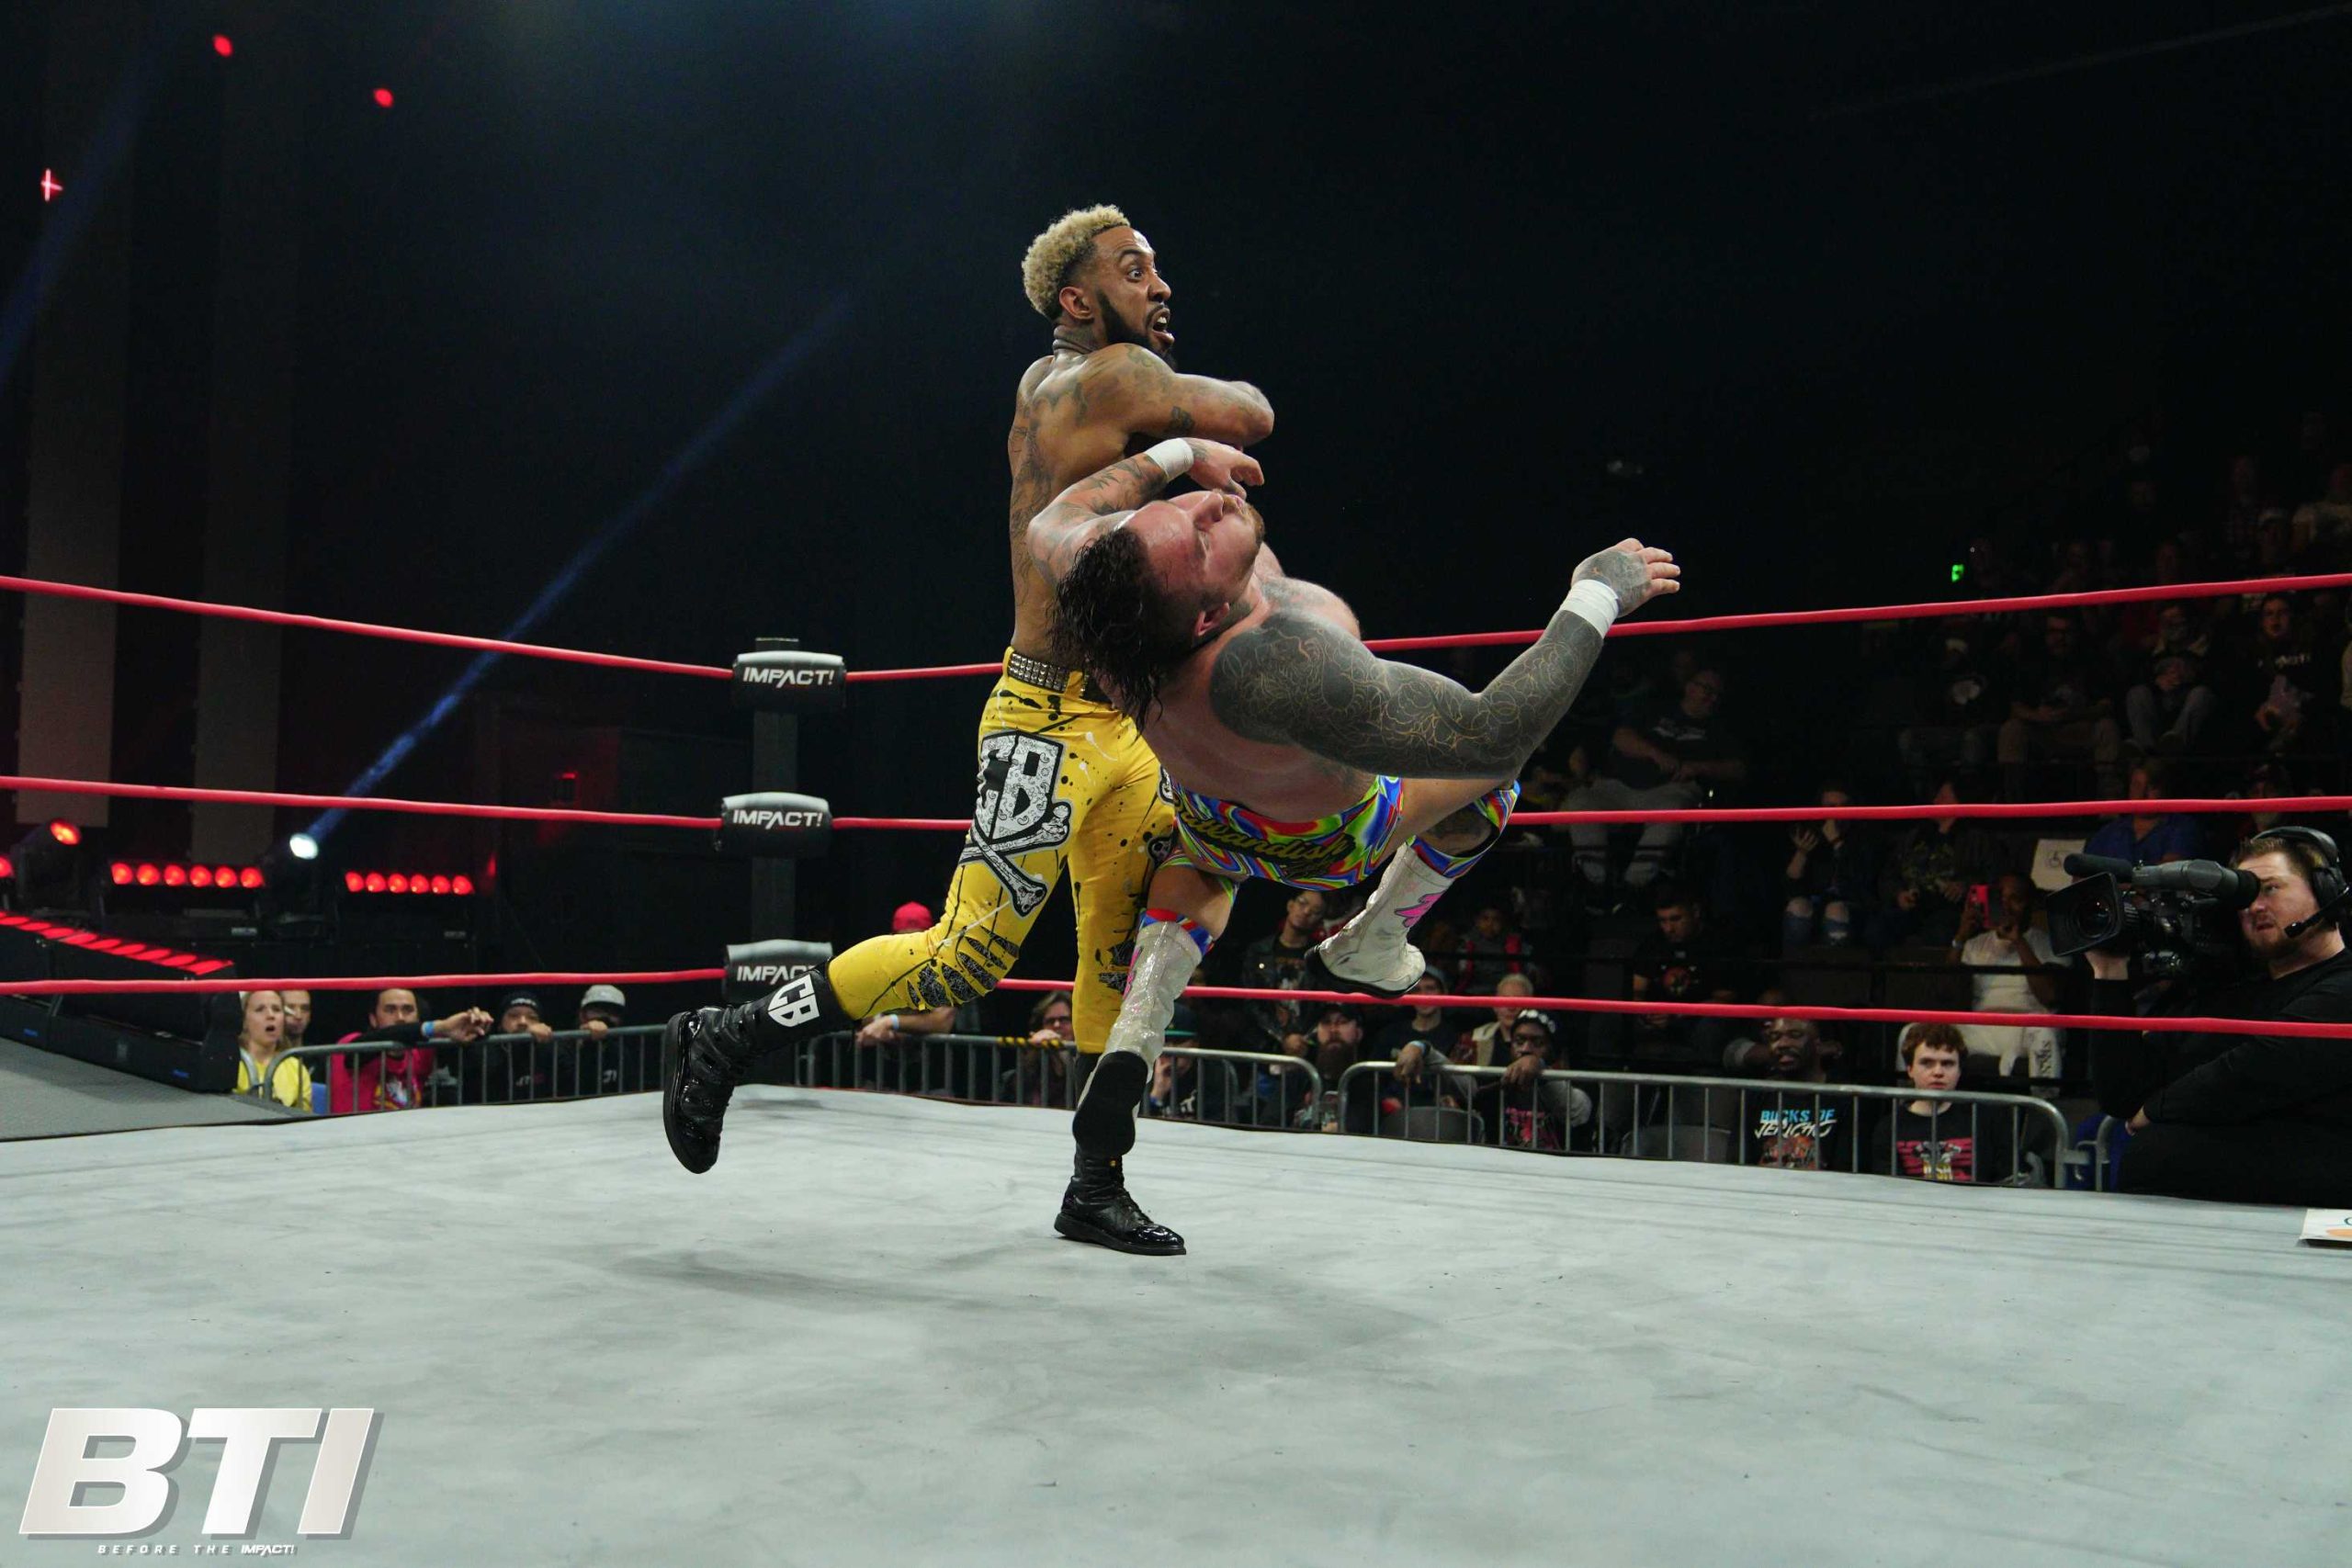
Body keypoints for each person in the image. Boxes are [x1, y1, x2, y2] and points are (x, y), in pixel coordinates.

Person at [661, 207, 1275, 1202]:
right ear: (1077, 299)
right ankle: (728, 1035)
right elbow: (1252, 414)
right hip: (1045, 723)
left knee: (1112, 957)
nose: (1160, 287)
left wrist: (1175, 454)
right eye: (1133, 271)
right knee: (966, 956)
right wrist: (1186, 450)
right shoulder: (1108, 378)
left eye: (1156, 269)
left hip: (1124, 724)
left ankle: (1097, 1184)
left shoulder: (1069, 386)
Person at [1027, 436, 1679, 1247]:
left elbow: (1053, 519)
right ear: (1204, 617)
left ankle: (1137, 1034)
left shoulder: (1112, 585)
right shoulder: (1277, 668)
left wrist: (1182, 451)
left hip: (1207, 811)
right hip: (1328, 837)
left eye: (1177, 506)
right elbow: (1494, 731)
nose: (1209, 503)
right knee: (1492, 781)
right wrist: (1597, 592)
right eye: (1197, 536)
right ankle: (1376, 935)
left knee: (1199, 867)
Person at [2086, 829, 2352, 1204]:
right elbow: (2122, 1095)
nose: (2255, 906)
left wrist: (2158, 1109)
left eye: (2271, 888)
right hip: (2249, 1199)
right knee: (2154, 1153)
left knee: (2158, 1153)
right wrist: (2109, 971)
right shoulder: (2231, 994)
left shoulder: (2344, 985)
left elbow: (2260, 1066)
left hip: (2329, 1178)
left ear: (2326, 890)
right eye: (2245, 897)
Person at [1864, 1022, 2023, 1184]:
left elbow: (2007, 1180)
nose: (1938, 1072)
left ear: (1959, 1070)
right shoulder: (1889, 1128)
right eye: (1927, 1063)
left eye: (1947, 1064)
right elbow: (1889, 1189)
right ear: (1910, 1069)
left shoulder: (1988, 1118)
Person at [1947, 874, 2069, 1079]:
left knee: (2044, 1033)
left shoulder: (2051, 945)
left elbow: (2050, 996)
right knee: (1914, 1032)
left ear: (2030, 905)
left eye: (2015, 899)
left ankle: (2044, 1099)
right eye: (2000, 899)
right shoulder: (1975, 945)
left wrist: (2018, 941)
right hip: (1983, 1029)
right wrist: (1960, 937)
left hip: (2028, 1030)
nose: (2006, 907)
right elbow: (1948, 995)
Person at [328, 988, 492, 1114]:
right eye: (390, 1010)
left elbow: (469, 1053)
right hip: (356, 1140)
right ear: (373, 1019)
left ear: (418, 1017)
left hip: (406, 1139)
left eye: (408, 1010)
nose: (400, 1017)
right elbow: (389, 1035)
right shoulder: (350, 1043)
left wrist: (477, 1025)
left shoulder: (421, 1051)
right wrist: (438, 1027)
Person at [231, 990, 310, 1113]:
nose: (271, 1015)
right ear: (244, 1021)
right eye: (260, 1009)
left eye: (276, 1009)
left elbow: (306, 1117)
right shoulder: (231, 1063)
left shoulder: (296, 1067)